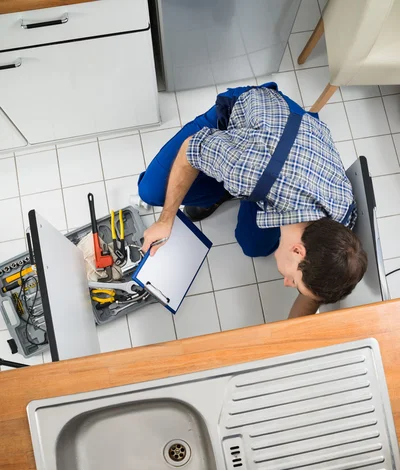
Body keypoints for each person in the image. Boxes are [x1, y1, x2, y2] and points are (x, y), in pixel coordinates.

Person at [138, 83, 367, 318]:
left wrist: (291, 336)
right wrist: (166, 220)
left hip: (296, 148)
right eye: (294, 282)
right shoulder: (247, 170)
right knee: (152, 191)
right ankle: (221, 184)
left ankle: (226, 181)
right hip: (257, 120)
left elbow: (313, 291)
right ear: (298, 250)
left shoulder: (340, 225)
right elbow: (190, 150)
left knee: (253, 245)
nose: (287, 283)